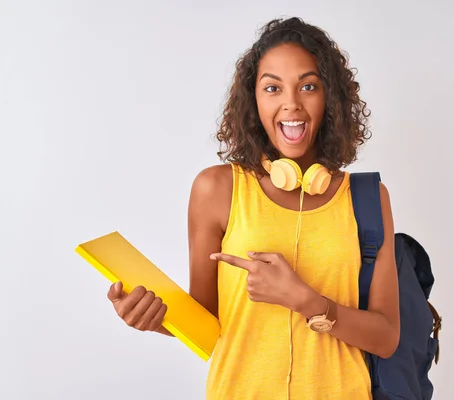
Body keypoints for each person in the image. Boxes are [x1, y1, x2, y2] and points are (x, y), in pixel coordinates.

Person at [106, 17, 400, 400]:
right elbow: (208, 325)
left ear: (330, 98)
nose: (291, 103)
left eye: (308, 86)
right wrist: (153, 317)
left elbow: (387, 338)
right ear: (254, 99)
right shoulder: (217, 189)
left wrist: (306, 301)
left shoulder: (367, 198)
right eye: (272, 88)